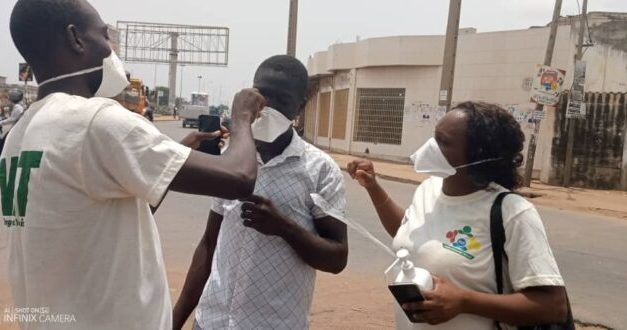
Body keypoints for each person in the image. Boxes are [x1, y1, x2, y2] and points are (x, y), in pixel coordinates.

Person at [4, 0, 264, 329]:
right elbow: (239, 178)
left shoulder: (20, 134)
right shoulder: (95, 121)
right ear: (76, 39)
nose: (111, 49)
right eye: (104, 35)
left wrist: (166, 159)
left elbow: (101, 220)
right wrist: (241, 117)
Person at [347, 101, 567, 329]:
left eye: (443, 141)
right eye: (435, 136)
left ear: (477, 156)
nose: (430, 146)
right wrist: (373, 187)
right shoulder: (428, 189)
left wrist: (464, 301)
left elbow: (553, 306)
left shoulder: (512, 212)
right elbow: (410, 234)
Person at [173, 55, 348, 330]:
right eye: (262, 95)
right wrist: (176, 319)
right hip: (212, 321)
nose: (268, 107)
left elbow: (337, 257)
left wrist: (284, 228)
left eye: (282, 100)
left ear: (299, 107)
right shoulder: (229, 158)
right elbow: (209, 243)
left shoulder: (320, 170)